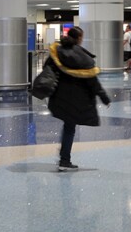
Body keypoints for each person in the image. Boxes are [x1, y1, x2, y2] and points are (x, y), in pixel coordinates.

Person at [47, 26, 111, 171]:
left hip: (60, 97)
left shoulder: (57, 51)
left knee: (68, 126)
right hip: (76, 100)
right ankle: (64, 159)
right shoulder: (82, 58)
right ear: (79, 38)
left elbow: (48, 70)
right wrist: (104, 97)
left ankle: (64, 155)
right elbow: (93, 82)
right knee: (70, 128)